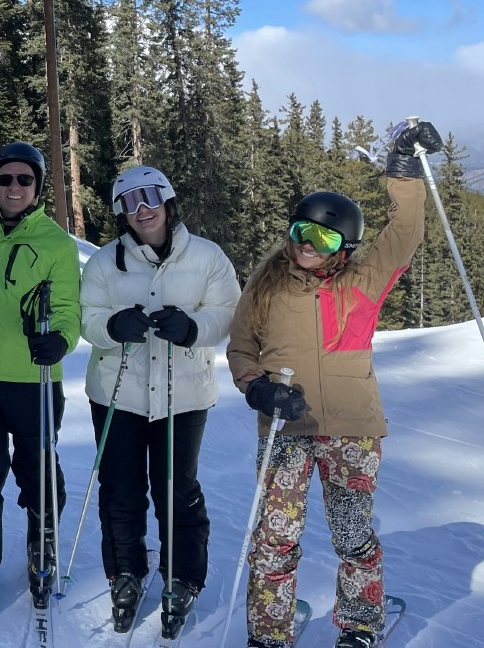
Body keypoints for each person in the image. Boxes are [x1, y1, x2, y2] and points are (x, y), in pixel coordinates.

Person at [229, 121, 441, 648]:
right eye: (301, 231)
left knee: (351, 535)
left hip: (351, 430)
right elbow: (240, 348)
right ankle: (269, 632)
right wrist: (256, 387)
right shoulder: (267, 281)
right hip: (285, 426)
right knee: (275, 538)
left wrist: (403, 172)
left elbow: (405, 233)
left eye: (322, 238)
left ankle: (360, 622)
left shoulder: (364, 283)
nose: (307, 245)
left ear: (344, 245)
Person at [77, 166, 240, 634]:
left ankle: (183, 576)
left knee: (177, 489)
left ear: (168, 201)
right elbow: (88, 317)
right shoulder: (105, 262)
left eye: (149, 196)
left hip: (183, 395)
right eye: (130, 201)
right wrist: (112, 328)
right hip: (116, 393)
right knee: (121, 489)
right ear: (121, 213)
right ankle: (125, 571)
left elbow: (227, 313)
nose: (142, 208)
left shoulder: (207, 256)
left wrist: (192, 328)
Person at [0, 143, 81, 620]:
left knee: (38, 469)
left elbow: (69, 308)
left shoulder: (56, 242)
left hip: (35, 378)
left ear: (38, 187)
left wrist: (61, 339)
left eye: (24, 180)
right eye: (5, 179)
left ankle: (42, 540)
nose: (13, 188)